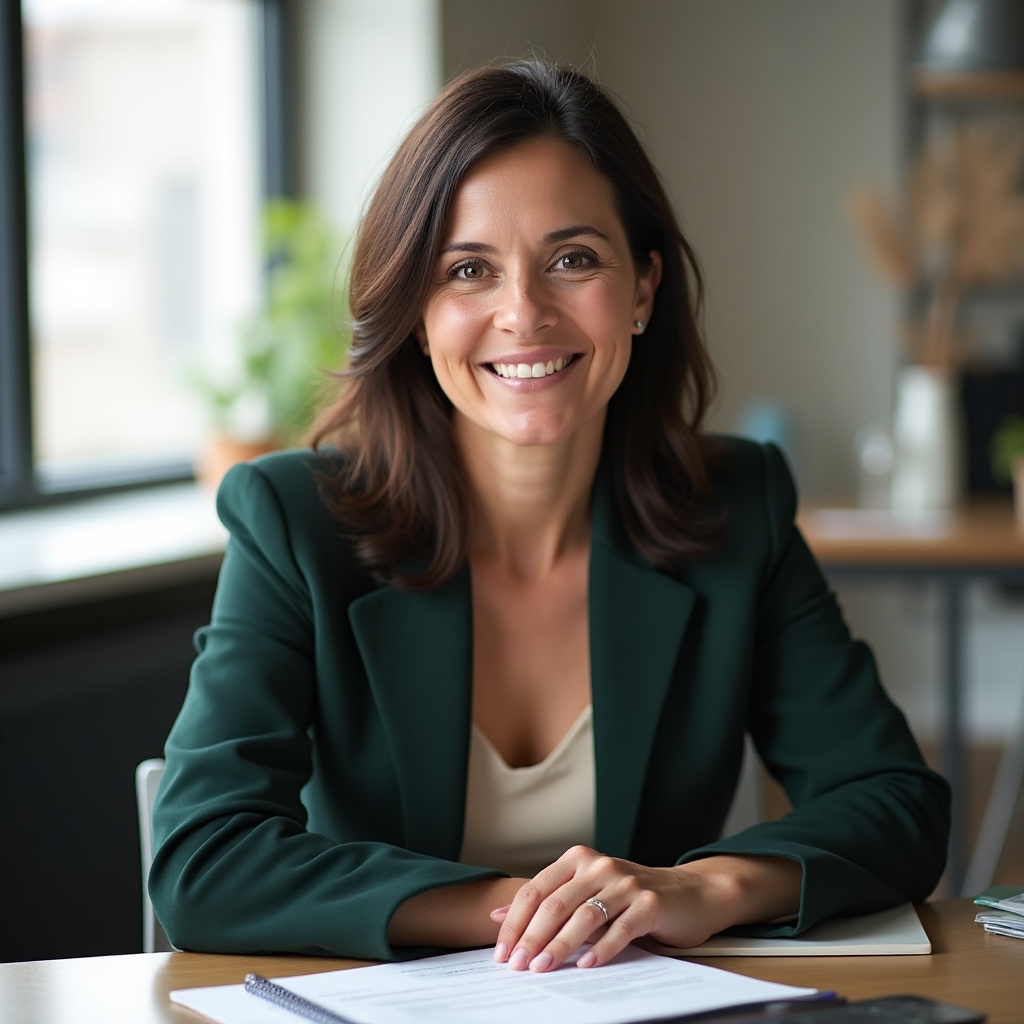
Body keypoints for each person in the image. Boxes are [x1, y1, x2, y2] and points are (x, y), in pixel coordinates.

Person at [150, 60, 950, 971]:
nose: (523, 313)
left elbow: (895, 802)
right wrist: (532, 912)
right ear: (417, 312)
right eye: (468, 271)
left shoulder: (736, 509)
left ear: (643, 289)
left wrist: (699, 887)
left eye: (572, 259)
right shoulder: (295, 520)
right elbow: (203, 861)